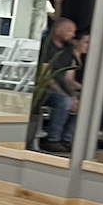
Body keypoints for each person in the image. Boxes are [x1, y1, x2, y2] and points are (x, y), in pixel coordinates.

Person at [39, 18, 82, 153]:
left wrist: (74, 96)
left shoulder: (68, 51)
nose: (73, 35)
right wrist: (65, 95)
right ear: (58, 31)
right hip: (44, 88)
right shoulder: (45, 47)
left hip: (62, 88)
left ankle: (67, 139)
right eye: (69, 31)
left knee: (81, 100)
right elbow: (46, 76)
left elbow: (68, 78)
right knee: (64, 101)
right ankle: (53, 139)